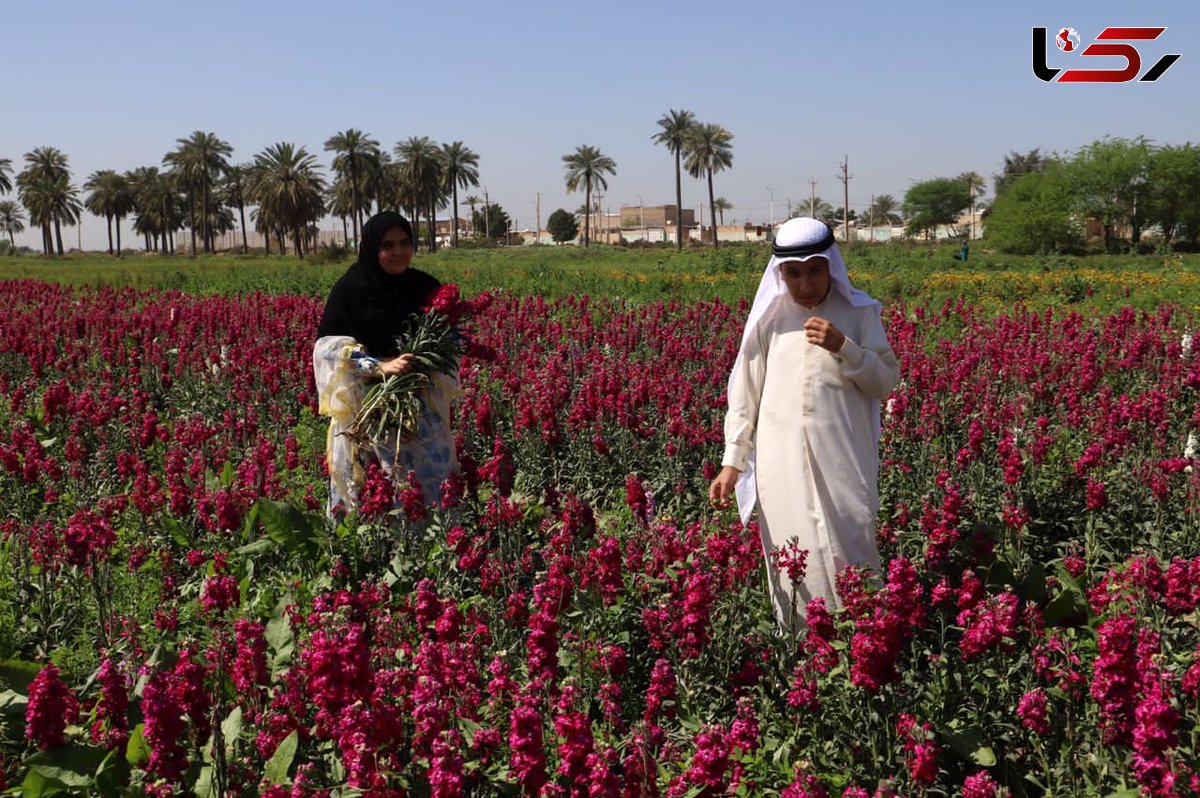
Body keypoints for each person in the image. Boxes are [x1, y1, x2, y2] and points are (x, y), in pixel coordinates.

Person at [708, 217, 901, 633]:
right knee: (792, 556)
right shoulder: (769, 320)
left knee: (851, 546)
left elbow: (885, 381)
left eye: (815, 270)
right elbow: (745, 394)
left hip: (843, 459)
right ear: (780, 273)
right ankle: (800, 654)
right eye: (793, 273)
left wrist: (845, 348)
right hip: (781, 466)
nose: (806, 284)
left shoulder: (859, 313)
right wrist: (732, 461)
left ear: (831, 264)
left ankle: (865, 644)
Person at [313, 212, 458, 515]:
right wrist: (378, 366)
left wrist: (427, 359)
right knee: (370, 496)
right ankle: (367, 558)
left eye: (405, 243)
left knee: (429, 495)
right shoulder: (351, 290)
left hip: (418, 413)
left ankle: (429, 555)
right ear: (371, 248)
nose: (398, 252)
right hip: (367, 413)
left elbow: (451, 342)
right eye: (388, 245)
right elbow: (329, 350)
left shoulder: (424, 287)